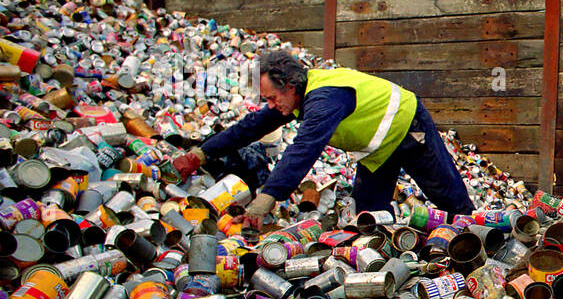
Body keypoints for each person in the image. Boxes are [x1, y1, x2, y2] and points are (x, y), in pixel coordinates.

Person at [171, 51, 473, 228]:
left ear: (289, 85)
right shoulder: (296, 98)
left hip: (408, 126)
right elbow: (250, 127)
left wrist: (266, 199)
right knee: (368, 215)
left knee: (446, 194)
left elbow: (305, 148)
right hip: (377, 149)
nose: (271, 105)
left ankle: (481, 237)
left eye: (273, 98)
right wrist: (199, 154)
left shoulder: (324, 98)